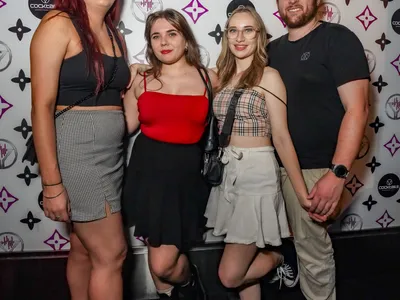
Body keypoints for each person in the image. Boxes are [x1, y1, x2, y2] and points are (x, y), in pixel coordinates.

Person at [204, 6, 311, 300]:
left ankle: (280, 257)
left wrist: (301, 192)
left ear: (260, 35)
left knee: (230, 275)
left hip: (257, 175)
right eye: (233, 30)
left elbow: (281, 137)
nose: (240, 37)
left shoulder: (269, 76)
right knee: (244, 267)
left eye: (248, 30)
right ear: (226, 36)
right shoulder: (222, 76)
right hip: (229, 174)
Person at [267, 1, 370, 299]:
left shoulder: (337, 38)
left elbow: (358, 109)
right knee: (285, 246)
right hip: (271, 168)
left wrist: (337, 173)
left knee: (314, 257)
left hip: (315, 170)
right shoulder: (271, 50)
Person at [30, 1, 130, 299]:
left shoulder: (113, 33)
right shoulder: (58, 23)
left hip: (111, 155)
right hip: (76, 151)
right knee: (112, 254)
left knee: (84, 248)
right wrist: (51, 185)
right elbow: (41, 108)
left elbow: (114, 102)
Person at [122, 9, 218, 300]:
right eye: (156, 36)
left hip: (187, 180)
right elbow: (120, 129)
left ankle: (189, 282)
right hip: (147, 175)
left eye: (172, 33)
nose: (164, 42)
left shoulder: (210, 78)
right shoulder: (142, 80)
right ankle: (176, 294)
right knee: (158, 261)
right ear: (149, 44)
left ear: (186, 39)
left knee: (163, 265)